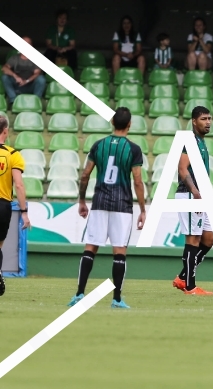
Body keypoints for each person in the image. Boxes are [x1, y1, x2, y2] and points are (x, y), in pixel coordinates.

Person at [67, 108, 146, 309]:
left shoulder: (98, 145)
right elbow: (137, 181)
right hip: (122, 204)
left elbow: (85, 175)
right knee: (119, 250)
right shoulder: (133, 149)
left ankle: (79, 294)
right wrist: (143, 209)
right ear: (130, 124)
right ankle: (117, 298)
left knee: (91, 247)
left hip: (100, 201)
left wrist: (82, 200)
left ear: (112, 123)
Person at [171, 106, 213, 295]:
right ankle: (190, 286)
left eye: (209, 119)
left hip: (200, 195)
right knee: (193, 239)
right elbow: (182, 169)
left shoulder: (201, 142)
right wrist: (195, 193)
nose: (208, 122)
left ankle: (182, 277)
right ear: (194, 121)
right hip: (190, 194)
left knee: (209, 238)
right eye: (204, 119)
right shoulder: (189, 141)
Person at [0, 115, 30, 297]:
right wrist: (24, 212)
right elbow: (18, 184)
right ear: (6, 131)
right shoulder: (12, 154)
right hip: (2, 205)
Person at [1, 37, 46, 105]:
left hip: (30, 86)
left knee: (41, 79)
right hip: (17, 85)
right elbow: (4, 68)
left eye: (28, 44)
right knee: (5, 77)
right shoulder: (15, 58)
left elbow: (37, 73)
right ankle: (13, 100)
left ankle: (36, 101)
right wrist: (15, 76)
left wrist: (26, 81)